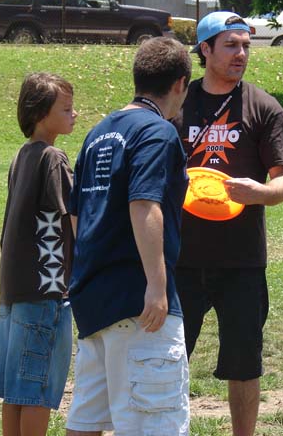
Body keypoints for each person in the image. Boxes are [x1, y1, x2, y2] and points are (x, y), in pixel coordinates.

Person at [171, 11, 283, 436]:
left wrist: (260, 192)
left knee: (244, 365)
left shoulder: (264, 107)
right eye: (230, 45)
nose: (241, 54)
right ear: (205, 49)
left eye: (246, 46)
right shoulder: (177, 103)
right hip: (181, 258)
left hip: (242, 261)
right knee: (167, 359)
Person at [65, 37, 192, 436]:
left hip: (95, 303)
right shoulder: (158, 132)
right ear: (180, 84)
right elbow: (144, 204)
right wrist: (156, 284)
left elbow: (77, 215)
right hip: (140, 307)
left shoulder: (98, 133)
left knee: (86, 422)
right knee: (156, 424)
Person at [0, 72, 77, 435]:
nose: (74, 114)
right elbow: (74, 217)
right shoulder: (53, 158)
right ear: (41, 115)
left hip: (16, 290)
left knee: (16, 389)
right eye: (66, 109)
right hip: (46, 291)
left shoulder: (22, 156)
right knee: (37, 390)